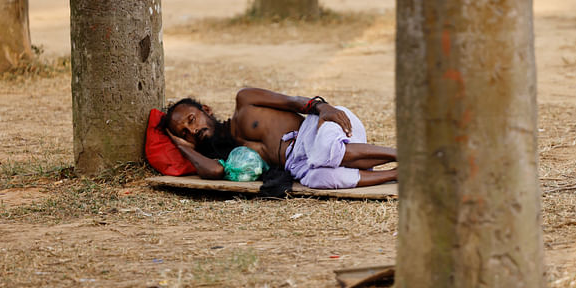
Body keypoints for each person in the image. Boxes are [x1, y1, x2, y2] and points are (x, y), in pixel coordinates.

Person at [158, 87, 397, 189]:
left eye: (192, 120)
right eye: (185, 133)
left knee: (323, 150)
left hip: (321, 127)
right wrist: (179, 145)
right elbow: (214, 173)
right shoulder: (228, 157)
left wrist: (323, 108)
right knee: (317, 178)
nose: (193, 130)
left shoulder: (245, 101)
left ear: (206, 110)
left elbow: (292, 101)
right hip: (300, 164)